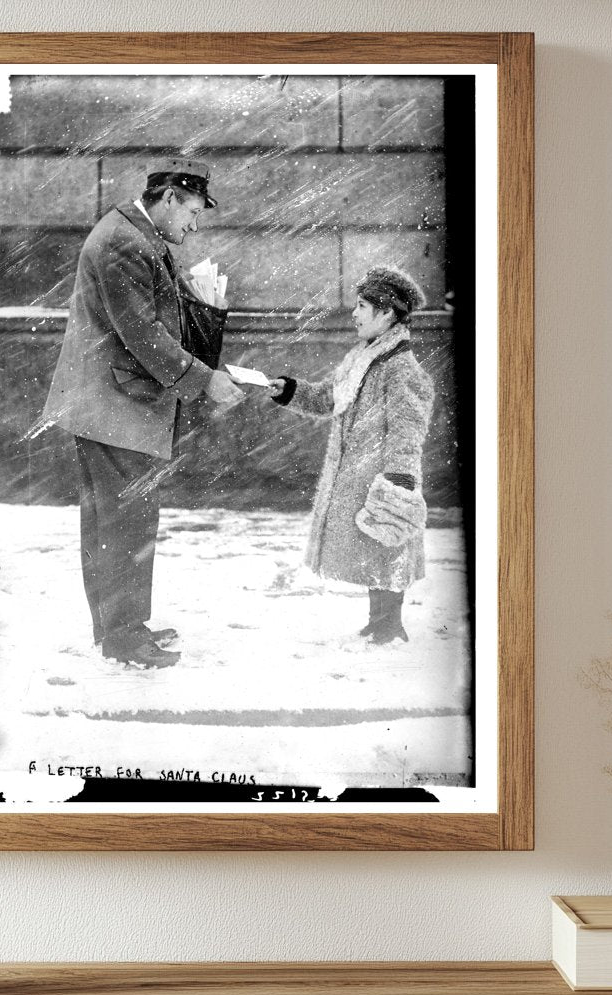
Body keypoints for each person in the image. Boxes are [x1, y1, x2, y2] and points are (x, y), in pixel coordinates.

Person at [42, 158, 244, 669]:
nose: (194, 225)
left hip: (114, 405)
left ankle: (121, 627)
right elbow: (143, 335)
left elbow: (148, 319)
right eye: (193, 212)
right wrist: (205, 380)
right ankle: (124, 638)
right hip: (115, 408)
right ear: (171, 197)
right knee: (124, 523)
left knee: (119, 521)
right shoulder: (124, 242)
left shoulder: (132, 234)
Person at [268, 266, 435, 644]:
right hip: (362, 473)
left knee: (389, 540)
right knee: (375, 546)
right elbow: (332, 397)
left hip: (383, 477)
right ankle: (380, 622)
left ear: (387, 312)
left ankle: (390, 626)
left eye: (362, 306)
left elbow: (408, 430)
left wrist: (398, 482)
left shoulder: (400, 367)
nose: (354, 314)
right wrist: (290, 390)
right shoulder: (365, 357)